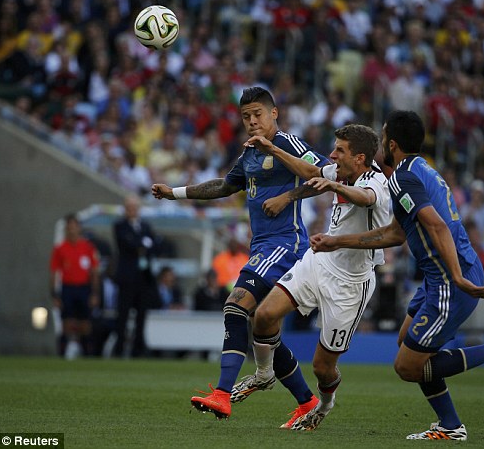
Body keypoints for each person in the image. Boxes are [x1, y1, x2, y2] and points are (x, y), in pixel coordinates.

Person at [310, 110, 484, 441]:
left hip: (448, 279)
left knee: (406, 366)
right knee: (407, 345)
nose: (381, 141)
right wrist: (336, 241)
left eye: (383, 136)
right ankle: (450, 425)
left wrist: (456, 277)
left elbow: (436, 224)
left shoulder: (402, 179)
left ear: (392, 144)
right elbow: (396, 233)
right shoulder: (421, 170)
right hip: (438, 276)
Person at [151, 86, 327, 426]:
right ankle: (306, 402)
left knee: (236, 305)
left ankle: (222, 393)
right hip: (263, 246)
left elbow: (322, 175)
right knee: (266, 331)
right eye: (245, 116)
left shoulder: (288, 144)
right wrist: (175, 193)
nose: (251, 122)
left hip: (286, 243)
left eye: (257, 114)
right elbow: (224, 186)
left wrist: (287, 197)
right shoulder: (248, 154)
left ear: (274, 114)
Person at [232, 123, 390, 431]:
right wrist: (275, 152)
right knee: (263, 316)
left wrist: (334, 187)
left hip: (351, 284)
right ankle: (264, 374)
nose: (331, 155)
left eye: (339, 150)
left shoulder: (378, 183)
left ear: (359, 158)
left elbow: (365, 198)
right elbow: (310, 172)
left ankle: (324, 405)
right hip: (318, 261)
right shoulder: (339, 172)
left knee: (322, 367)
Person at [112, 194, 159, 358]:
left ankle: (138, 349)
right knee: (123, 314)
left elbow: (154, 243)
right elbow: (128, 244)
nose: (132, 210)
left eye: (134, 207)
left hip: (143, 278)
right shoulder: (120, 226)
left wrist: (140, 243)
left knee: (141, 315)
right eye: (129, 207)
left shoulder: (145, 226)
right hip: (127, 277)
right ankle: (118, 348)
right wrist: (142, 243)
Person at [50, 214, 100, 358]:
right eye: (69, 227)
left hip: (84, 288)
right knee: (67, 323)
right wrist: (54, 295)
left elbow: (94, 272)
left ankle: (87, 355)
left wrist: (95, 294)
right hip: (67, 288)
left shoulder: (88, 248)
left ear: (79, 228)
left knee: (85, 324)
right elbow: (54, 273)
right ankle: (62, 355)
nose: (72, 230)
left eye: (74, 227)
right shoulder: (60, 249)